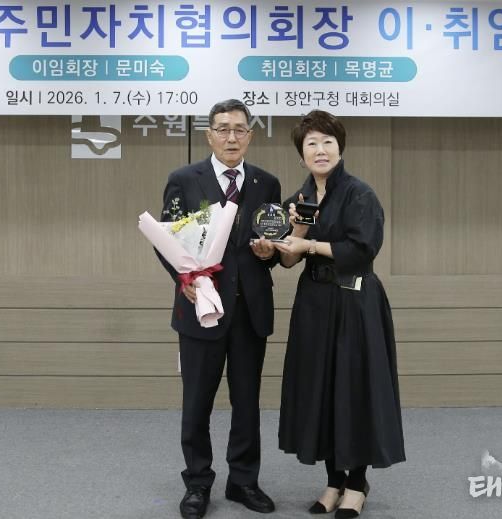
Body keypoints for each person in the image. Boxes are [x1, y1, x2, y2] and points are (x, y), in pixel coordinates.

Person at [274, 110, 405, 518]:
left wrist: (311, 246)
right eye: (311, 143)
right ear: (301, 155)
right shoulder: (298, 201)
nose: (320, 150)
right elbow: (288, 260)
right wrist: (296, 233)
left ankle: (357, 483)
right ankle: (333, 480)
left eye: (327, 142)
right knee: (322, 390)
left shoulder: (359, 194)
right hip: (314, 304)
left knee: (355, 389)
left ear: (340, 148)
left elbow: (362, 249)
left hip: (355, 301)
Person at [156, 99, 280, 519]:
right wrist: (184, 280)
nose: (231, 137)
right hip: (201, 308)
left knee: (247, 403)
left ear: (250, 135)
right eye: (223, 129)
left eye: (239, 129)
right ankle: (197, 482)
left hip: (250, 312)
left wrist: (269, 253)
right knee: (197, 403)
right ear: (209, 135)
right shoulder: (184, 180)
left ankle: (243, 480)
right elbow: (167, 240)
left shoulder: (266, 183)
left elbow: (270, 243)